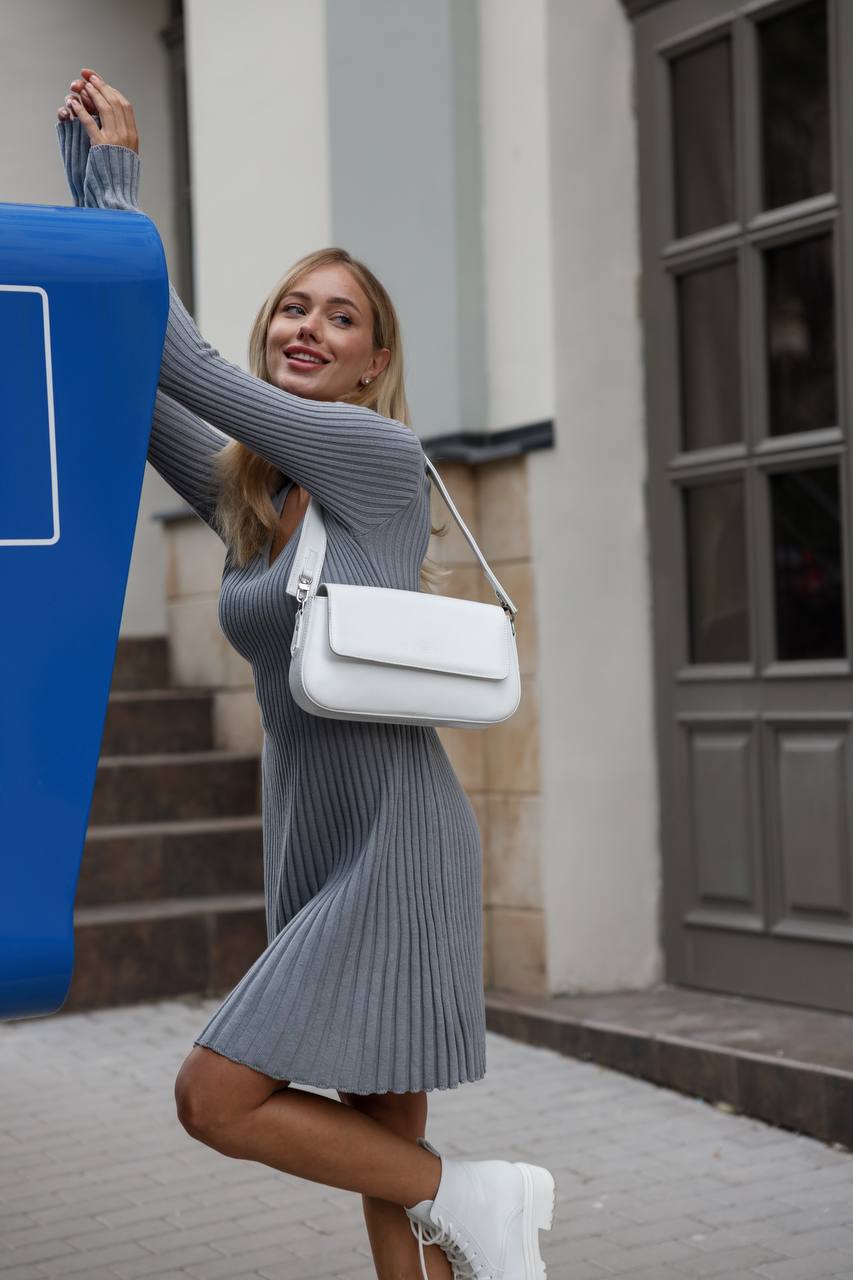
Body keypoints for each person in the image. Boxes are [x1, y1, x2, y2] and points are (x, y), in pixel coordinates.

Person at [55, 68, 556, 1280]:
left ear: (376, 356)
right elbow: (141, 383)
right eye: (291, 306)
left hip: (395, 839)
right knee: (379, 1156)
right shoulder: (252, 496)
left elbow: (189, 362)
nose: (305, 329)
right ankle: (461, 1208)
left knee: (216, 1094)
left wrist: (123, 195)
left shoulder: (377, 459)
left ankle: (478, 1192)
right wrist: (82, 202)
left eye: (338, 316)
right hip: (316, 839)